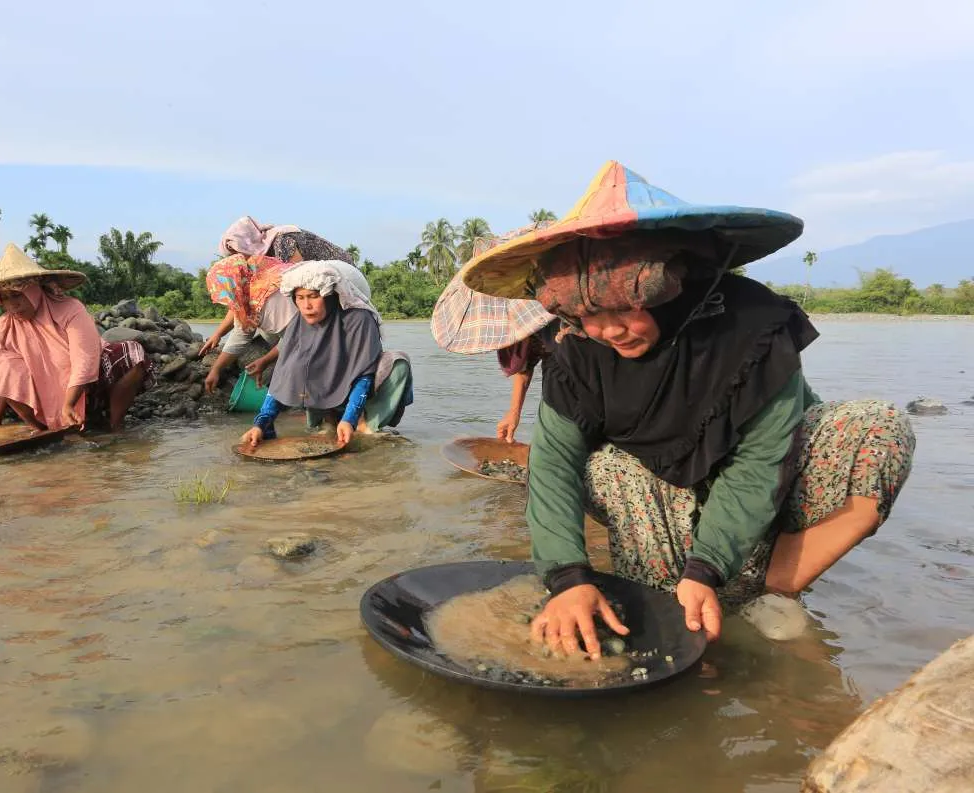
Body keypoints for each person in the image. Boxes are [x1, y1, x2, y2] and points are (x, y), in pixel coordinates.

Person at [459, 160, 916, 658]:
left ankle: (775, 586)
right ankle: (673, 603)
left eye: (625, 309)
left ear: (676, 286)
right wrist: (567, 577)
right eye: (589, 315)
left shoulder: (754, 328)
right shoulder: (576, 353)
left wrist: (706, 568)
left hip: (773, 480)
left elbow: (761, 464)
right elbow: (552, 465)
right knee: (610, 469)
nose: (607, 332)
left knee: (879, 426)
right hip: (659, 487)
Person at [0, 244, 155, 451]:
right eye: (5, 298)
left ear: (33, 290)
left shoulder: (69, 309)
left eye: (16, 295)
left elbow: (84, 360)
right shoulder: (4, 326)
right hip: (43, 392)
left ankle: (115, 425)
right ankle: (42, 427)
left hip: (90, 383)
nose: (12, 305)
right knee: (2, 367)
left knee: (132, 352)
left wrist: (68, 404)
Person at [240, 261, 413, 448]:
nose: (306, 305)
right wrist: (260, 423)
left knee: (398, 362)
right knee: (298, 365)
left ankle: (367, 425)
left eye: (313, 296)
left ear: (329, 296)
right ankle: (328, 421)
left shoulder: (358, 319)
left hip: (358, 391)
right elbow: (283, 377)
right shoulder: (298, 324)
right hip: (322, 396)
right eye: (300, 298)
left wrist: (350, 419)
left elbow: (364, 373)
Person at [430, 223, 559, 444]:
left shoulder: (566, 316)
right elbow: (525, 363)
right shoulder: (526, 321)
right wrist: (513, 413)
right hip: (561, 380)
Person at [201, 255, 372, 395]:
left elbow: (297, 336)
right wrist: (216, 369)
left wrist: (266, 360)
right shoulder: (254, 280)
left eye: (225, 296)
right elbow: (242, 333)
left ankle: (338, 404)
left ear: (233, 287)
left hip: (347, 285)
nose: (226, 303)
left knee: (320, 353)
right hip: (340, 275)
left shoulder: (269, 300)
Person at [198, 215, 355, 359]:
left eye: (237, 252)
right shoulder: (260, 257)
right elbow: (240, 301)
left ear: (247, 243)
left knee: (285, 323)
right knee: (269, 323)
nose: (237, 258)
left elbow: (300, 284)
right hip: (319, 287)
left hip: (341, 278)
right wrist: (218, 334)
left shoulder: (282, 242)